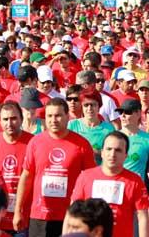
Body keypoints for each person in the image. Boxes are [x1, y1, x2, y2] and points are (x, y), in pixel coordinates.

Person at [13, 98, 96, 237]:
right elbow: (26, 177)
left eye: (58, 115)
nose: (53, 120)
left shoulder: (81, 144)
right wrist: (18, 210)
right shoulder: (35, 142)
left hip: (70, 216)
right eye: (49, 116)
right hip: (39, 216)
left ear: (67, 117)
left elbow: (90, 181)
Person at [71, 131, 149, 237]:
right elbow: (73, 213)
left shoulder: (135, 181)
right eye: (109, 149)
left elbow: (142, 216)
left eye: (118, 150)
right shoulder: (85, 177)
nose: (112, 154)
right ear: (102, 152)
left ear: (125, 155)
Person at [0, 101, 34, 234]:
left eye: (14, 118)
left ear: (21, 119)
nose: (9, 123)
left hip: (24, 215)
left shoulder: (33, 143)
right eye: (5, 119)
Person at [117, 99, 149, 187]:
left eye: (128, 112)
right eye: (121, 112)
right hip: (116, 189)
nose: (123, 115)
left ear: (138, 113)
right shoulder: (113, 138)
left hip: (138, 189)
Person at [68, 88, 114, 164]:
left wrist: (94, 152)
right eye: (86, 105)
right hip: (77, 172)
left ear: (99, 107)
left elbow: (112, 154)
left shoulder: (109, 129)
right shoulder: (72, 125)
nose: (89, 108)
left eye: (93, 105)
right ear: (81, 107)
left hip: (98, 172)